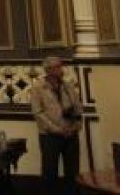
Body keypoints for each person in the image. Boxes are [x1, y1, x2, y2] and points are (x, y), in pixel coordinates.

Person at [31, 56, 82, 195]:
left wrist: (76, 126)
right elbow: (38, 113)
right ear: (48, 70)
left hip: (71, 134)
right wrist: (57, 129)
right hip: (50, 136)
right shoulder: (38, 87)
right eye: (58, 67)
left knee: (72, 172)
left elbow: (77, 107)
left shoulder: (67, 85)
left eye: (61, 66)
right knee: (50, 172)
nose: (61, 70)